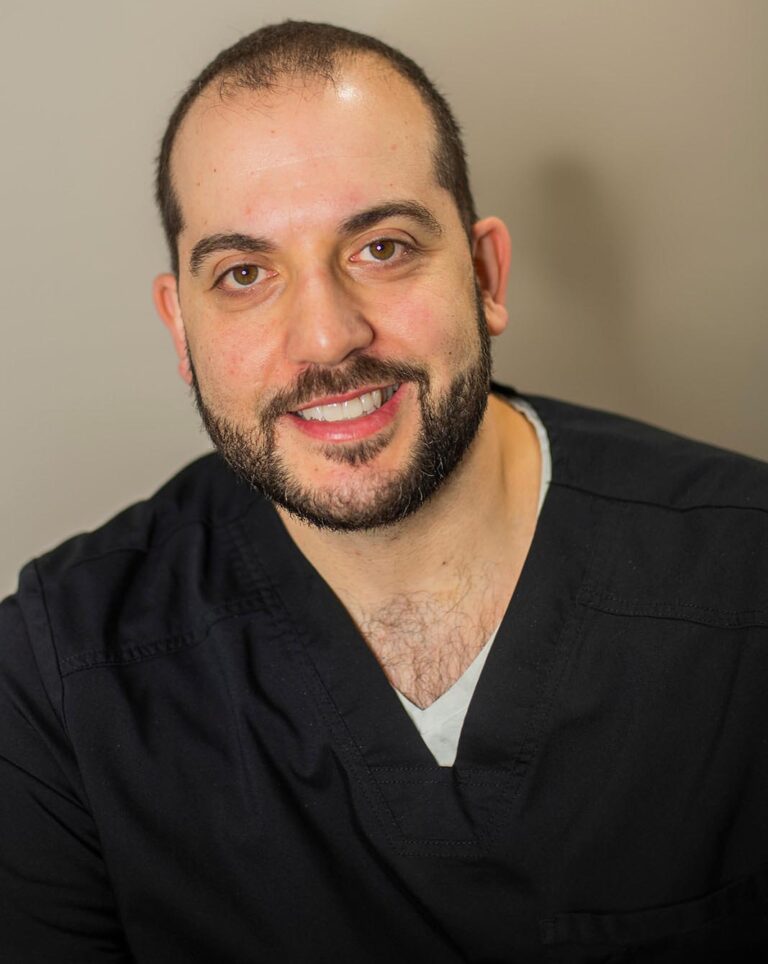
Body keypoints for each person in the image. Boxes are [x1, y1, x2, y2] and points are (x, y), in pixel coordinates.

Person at [1, 20, 767, 964]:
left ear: (484, 275)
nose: (325, 338)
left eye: (383, 249)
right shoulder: (59, 675)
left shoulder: (747, 576)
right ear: (181, 328)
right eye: (244, 274)